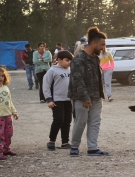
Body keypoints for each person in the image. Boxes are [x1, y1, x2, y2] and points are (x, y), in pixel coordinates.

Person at [68, 26, 110, 157]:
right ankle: (74, 147)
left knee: (95, 122)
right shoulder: (78, 59)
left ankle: (92, 148)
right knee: (80, 122)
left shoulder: (95, 58)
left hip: (96, 97)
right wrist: (85, 98)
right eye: (102, 44)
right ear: (93, 43)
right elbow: (77, 79)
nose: (103, 47)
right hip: (82, 98)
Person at [43, 51, 73, 151]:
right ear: (59, 60)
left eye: (70, 61)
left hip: (69, 99)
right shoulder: (52, 71)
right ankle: (51, 141)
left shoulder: (71, 71)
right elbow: (46, 85)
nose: (69, 62)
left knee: (67, 120)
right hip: (57, 100)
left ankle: (65, 142)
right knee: (58, 119)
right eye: (67, 60)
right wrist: (49, 99)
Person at [0, 66, 19, 160]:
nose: (1, 78)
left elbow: (9, 101)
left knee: (9, 133)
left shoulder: (5, 88)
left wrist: (14, 111)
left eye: (2, 76)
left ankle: (6, 149)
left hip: (7, 114)